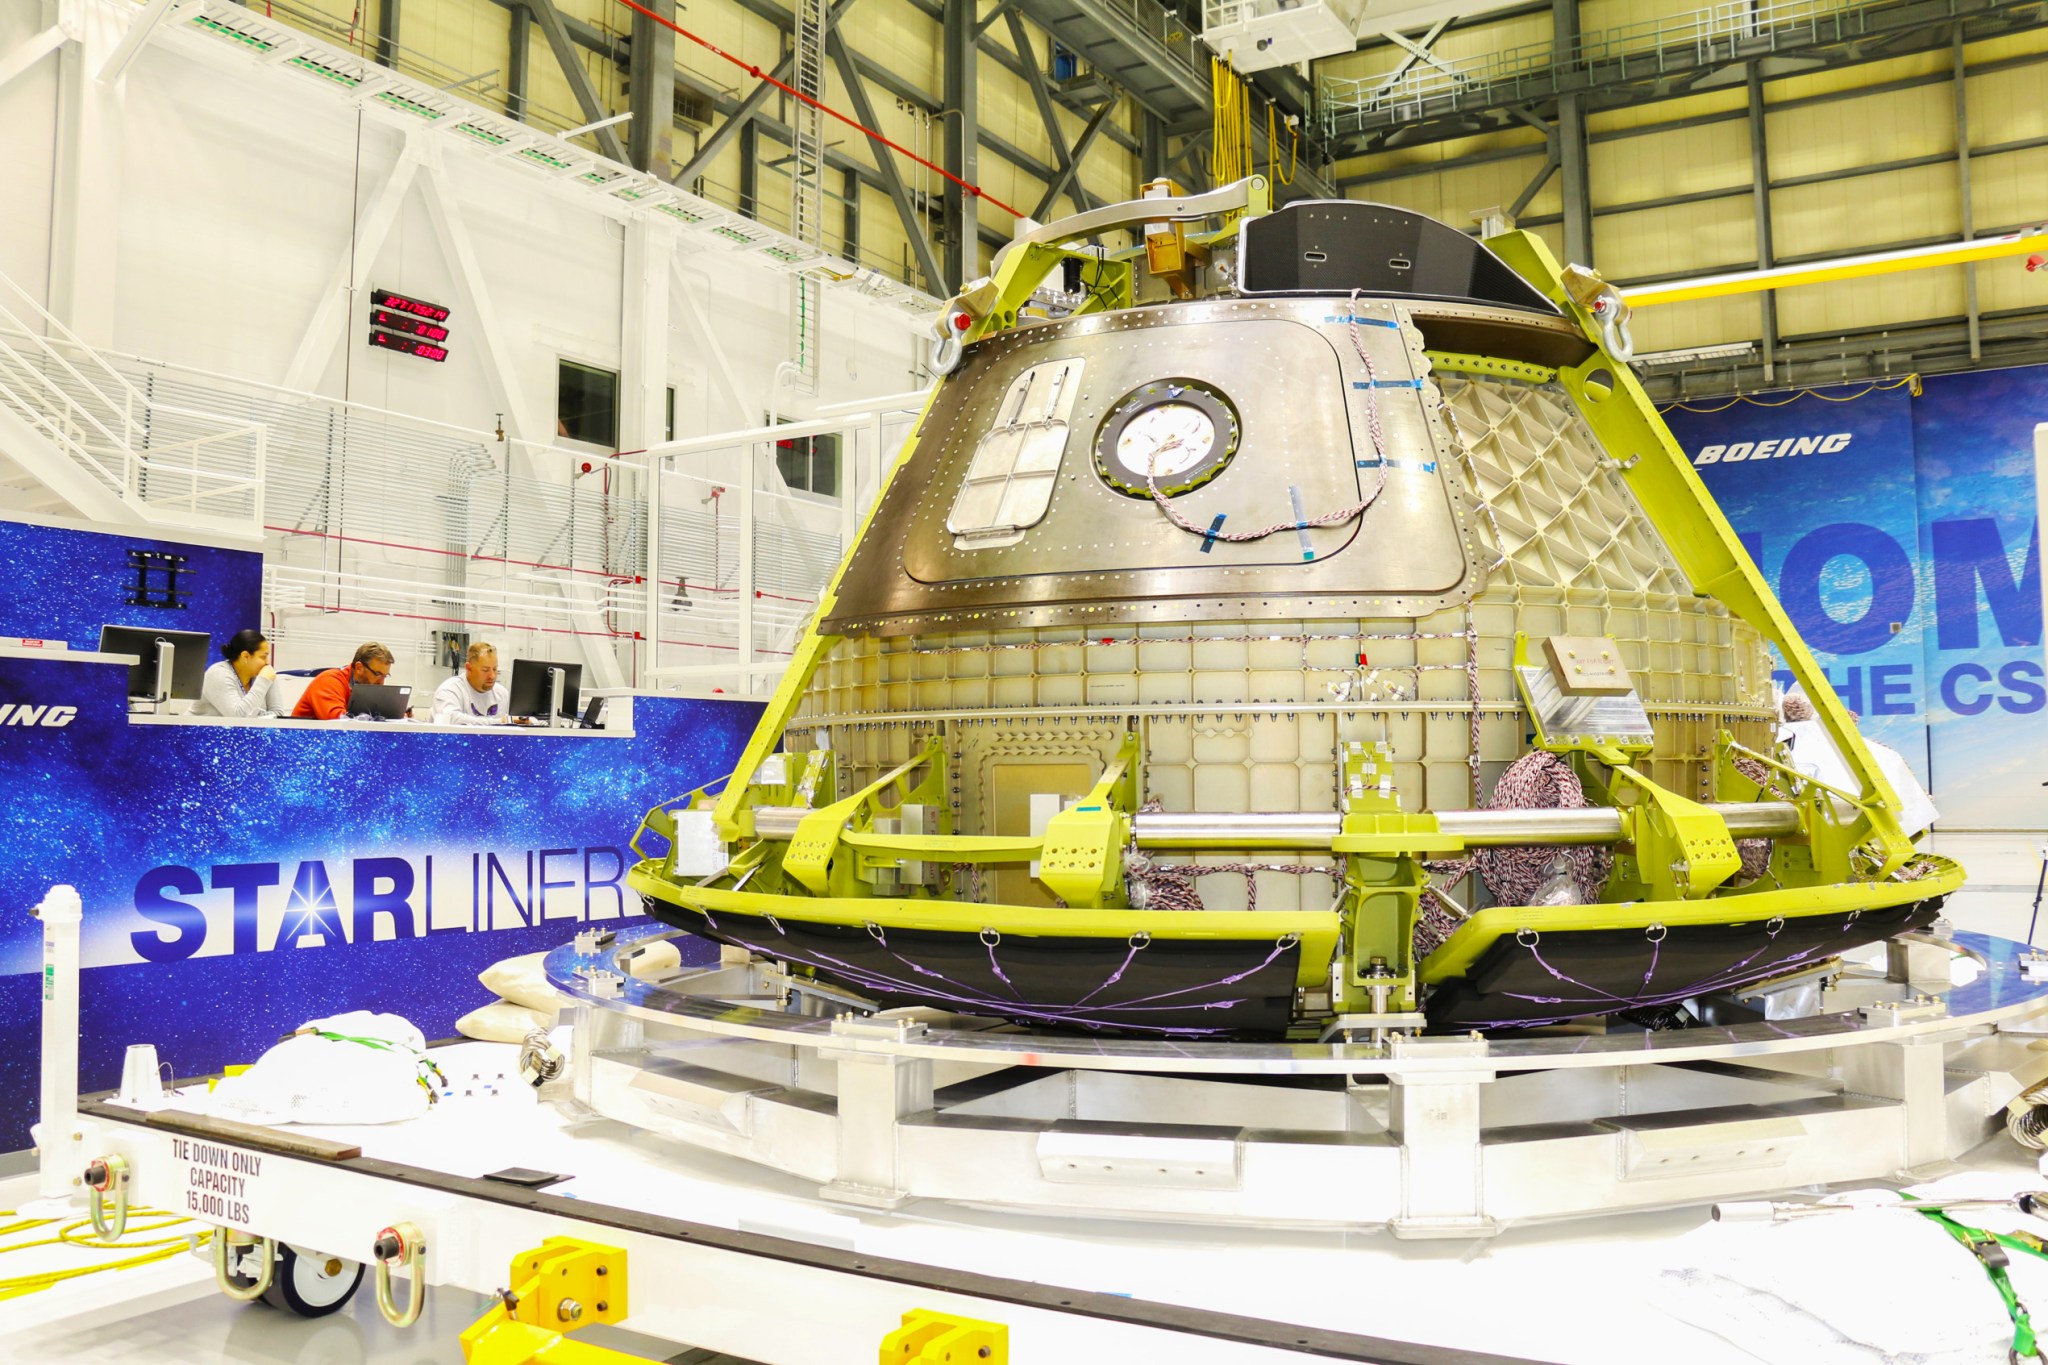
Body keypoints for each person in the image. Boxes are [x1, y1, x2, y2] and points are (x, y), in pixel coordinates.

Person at [192, 629, 284, 718]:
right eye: (263, 657)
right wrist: (263, 681)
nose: (267, 662)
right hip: (197, 731)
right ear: (245, 656)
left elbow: (278, 714)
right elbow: (238, 718)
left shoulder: (264, 672)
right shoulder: (218, 674)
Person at [290, 642, 395, 720]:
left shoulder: (368, 687)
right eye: (378, 674)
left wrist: (396, 716)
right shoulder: (328, 681)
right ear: (359, 668)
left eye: (385, 676)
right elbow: (337, 719)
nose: (381, 682)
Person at [433, 641, 511, 725]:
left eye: (495, 669)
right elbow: (450, 719)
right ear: (469, 668)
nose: (492, 676)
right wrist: (499, 722)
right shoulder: (449, 690)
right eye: (485, 670)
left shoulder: (502, 694)